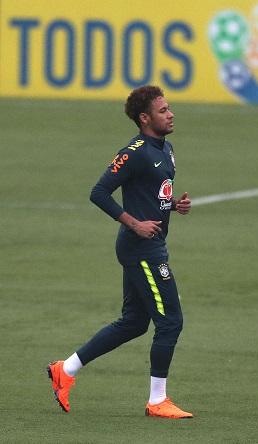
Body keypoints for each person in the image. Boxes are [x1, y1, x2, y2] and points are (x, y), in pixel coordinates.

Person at [47, 85, 193, 419]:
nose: (170, 114)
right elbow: (99, 192)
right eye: (163, 110)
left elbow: (151, 193)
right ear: (145, 118)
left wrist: (173, 204)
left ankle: (64, 370)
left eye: (169, 108)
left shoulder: (166, 148)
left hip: (150, 245)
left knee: (134, 323)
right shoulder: (135, 152)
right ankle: (157, 401)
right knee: (170, 321)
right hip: (142, 249)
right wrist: (134, 224)